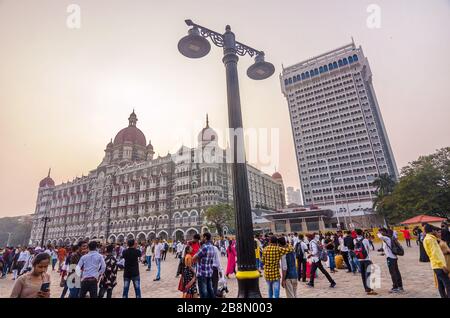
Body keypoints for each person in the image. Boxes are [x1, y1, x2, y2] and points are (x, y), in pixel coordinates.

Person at [423, 224, 450, 298]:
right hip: (439, 265)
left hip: (437, 265)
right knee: (447, 284)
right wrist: (442, 265)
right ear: (432, 231)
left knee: (441, 284)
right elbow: (435, 254)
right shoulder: (430, 239)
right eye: (435, 230)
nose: (437, 232)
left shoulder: (430, 238)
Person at [377, 228, 404, 293]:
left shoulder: (387, 238)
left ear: (384, 232)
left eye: (381, 232)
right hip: (393, 257)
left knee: (393, 273)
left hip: (391, 258)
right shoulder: (388, 239)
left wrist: (379, 233)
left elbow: (379, 236)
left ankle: (395, 287)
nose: (380, 233)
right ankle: (400, 286)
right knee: (396, 272)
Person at [354, 229, 377, 295]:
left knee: (363, 275)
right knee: (369, 274)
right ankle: (369, 289)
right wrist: (371, 241)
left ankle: (366, 288)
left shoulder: (354, 240)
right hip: (366, 259)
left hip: (359, 260)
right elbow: (371, 248)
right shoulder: (365, 240)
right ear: (362, 233)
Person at [192, 232, 216, 298]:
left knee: (203, 292)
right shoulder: (212, 247)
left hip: (202, 273)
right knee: (210, 290)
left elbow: (194, 258)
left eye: (202, 237)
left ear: (205, 237)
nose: (201, 238)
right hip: (209, 272)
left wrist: (197, 258)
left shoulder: (204, 247)